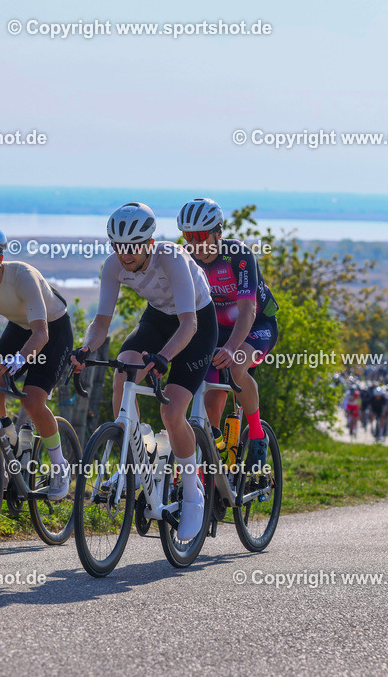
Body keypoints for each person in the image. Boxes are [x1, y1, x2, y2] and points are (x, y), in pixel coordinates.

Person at [72, 202, 217, 542]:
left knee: (172, 410)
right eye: (117, 247)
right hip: (157, 319)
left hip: (195, 322)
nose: (124, 255)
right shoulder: (113, 266)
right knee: (122, 373)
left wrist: (164, 358)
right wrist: (85, 348)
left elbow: (189, 324)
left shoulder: (172, 258)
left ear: (149, 242)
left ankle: (194, 494)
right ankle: (134, 454)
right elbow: (102, 321)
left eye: (132, 248)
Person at [0, 226, 74, 499]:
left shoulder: (23, 276)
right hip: (19, 328)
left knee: (31, 400)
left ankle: (59, 466)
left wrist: (20, 359)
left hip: (52, 330)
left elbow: (42, 334)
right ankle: (11, 447)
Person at [176, 198, 280, 469]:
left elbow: (247, 311)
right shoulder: (184, 259)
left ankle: (257, 435)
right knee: (209, 400)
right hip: (215, 330)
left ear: (217, 234)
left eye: (200, 236)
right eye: (189, 236)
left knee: (235, 367)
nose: (195, 243)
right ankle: (214, 458)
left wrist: (233, 346)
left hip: (256, 326)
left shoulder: (239, 256)